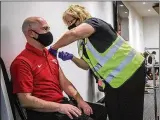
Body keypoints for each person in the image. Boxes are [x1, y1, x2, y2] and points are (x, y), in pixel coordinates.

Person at [49, 5, 146, 120]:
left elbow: (73, 34)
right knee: (114, 113)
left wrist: (54, 48)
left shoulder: (95, 23)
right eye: (67, 23)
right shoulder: (82, 42)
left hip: (132, 71)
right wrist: (72, 58)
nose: (70, 26)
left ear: (80, 16)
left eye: (71, 21)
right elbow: (86, 65)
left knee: (130, 113)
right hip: (113, 80)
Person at [10, 17, 107, 120]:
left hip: (61, 103)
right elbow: (25, 101)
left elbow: (65, 83)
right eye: (45, 29)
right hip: (43, 112)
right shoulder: (22, 62)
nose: (49, 32)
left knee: (100, 111)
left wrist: (80, 100)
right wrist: (59, 107)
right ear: (31, 33)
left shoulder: (49, 55)